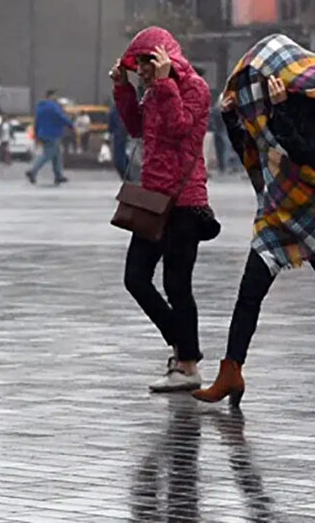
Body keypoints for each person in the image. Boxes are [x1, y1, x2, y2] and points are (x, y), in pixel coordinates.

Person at [191, 34, 315, 406]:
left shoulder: (308, 99)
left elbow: (309, 152)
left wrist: (284, 108)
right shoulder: (264, 101)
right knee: (250, 289)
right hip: (279, 206)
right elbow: (252, 150)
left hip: (314, 207)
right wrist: (232, 117)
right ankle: (231, 371)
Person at [111, 26, 217, 392]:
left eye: (145, 62)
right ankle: (184, 347)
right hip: (154, 199)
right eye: (137, 63)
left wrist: (164, 84)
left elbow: (180, 127)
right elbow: (137, 129)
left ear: (165, 57)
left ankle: (186, 365)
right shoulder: (153, 90)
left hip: (186, 201)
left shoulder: (195, 88)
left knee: (177, 283)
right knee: (135, 278)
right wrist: (124, 89)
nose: (141, 69)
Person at [26, 90, 74, 185]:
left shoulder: (40, 107)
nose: (56, 98)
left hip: (42, 134)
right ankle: (32, 171)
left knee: (57, 155)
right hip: (52, 134)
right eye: (54, 96)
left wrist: (36, 134)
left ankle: (58, 176)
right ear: (50, 96)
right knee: (47, 154)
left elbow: (36, 122)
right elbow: (60, 117)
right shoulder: (53, 106)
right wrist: (70, 124)